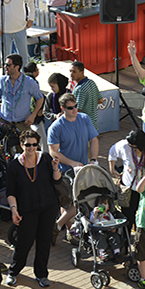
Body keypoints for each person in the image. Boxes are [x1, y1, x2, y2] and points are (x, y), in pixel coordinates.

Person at [5, 130, 61, 288]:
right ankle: (13, 272)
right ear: (21, 144)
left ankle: (41, 274)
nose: (31, 148)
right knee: (24, 243)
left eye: (34, 144)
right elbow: (10, 192)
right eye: (27, 145)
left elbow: (57, 181)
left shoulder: (45, 158)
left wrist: (55, 168)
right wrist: (14, 209)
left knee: (44, 242)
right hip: (27, 210)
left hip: (48, 207)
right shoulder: (14, 166)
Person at [48, 93, 99, 243]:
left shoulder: (84, 119)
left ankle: (62, 228)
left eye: (76, 106)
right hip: (64, 171)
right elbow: (53, 152)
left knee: (73, 202)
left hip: (82, 169)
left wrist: (94, 159)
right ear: (63, 108)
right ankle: (62, 228)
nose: (75, 110)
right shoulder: (56, 127)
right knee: (73, 203)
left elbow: (94, 139)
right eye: (70, 108)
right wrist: (72, 163)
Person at [109, 129, 145, 228]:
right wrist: (112, 170)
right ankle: (126, 240)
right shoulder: (124, 145)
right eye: (131, 147)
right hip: (129, 188)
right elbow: (112, 153)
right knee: (127, 217)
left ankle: (141, 239)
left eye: (136, 148)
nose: (133, 150)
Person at [0, 54, 44, 133]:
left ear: (17, 67)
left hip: (22, 124)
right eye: (4, 64)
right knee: (4, 145)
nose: (5, 67)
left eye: (8, 65)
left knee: (23, 145)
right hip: (4, 122)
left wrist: (33, 115)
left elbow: (40, 98)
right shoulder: (2, 80)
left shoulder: (29, 82)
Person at [70, 61, 103, 131]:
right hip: (94, 125)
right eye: (70, 71)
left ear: (81, 72)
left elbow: (77, 110)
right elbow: (100, 100)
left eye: (74, 72)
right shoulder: (92, 82)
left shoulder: (80, 89)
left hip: (84, 126)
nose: (71, 74)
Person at [89, 196, 122, 260]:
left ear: (108, 206)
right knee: (101, 237)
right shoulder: (94, 213)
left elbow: (113, 222)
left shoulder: (109, 214)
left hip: (109, 230)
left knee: (115, 237)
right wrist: (95, 213)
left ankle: (117, 253)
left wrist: (114, 228)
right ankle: (102, 252)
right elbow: (92, 221)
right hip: (99, 231)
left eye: (105, 204)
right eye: (100, 204)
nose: (103, 205)